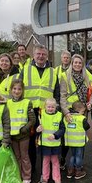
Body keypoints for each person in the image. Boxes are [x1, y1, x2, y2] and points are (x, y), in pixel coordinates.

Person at [21, 44, 60, 174]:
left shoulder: (53, 72)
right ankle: (31, 168)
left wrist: (56, 109)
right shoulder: (25, 70)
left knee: (47, 139)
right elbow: (19, 90)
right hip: (30, 111)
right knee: (31, 141)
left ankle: (47, 169)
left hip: (46, 112)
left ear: (47, 56)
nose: (41, 56)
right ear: (34, 55)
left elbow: (57, 92)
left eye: (43, 54)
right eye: (38, 54)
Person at [59, 54, 91, 170]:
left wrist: (89, 103)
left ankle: (78, 164)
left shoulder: (86, 76)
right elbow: (62, 96)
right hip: (70, 112)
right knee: (67, 137)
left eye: (80, 63)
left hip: (82, 112)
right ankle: (63, 160)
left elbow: (89, 93)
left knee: (80, 136)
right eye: (75, 62)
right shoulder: (64, 76)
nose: (77, 64)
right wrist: (66, 112)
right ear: (72, 64)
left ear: (82, 65)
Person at [7, 79, 36, 183]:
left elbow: (32, 119)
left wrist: (25, 129)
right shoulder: (8, 103)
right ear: (11, 90)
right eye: (14, 89)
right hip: (13, 136)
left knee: (24, 156)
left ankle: (27, 177)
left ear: (22, 90)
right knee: (16, 156)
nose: (16, 91)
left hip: (23, 135)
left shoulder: (27, 102)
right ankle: (18, 175)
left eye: (19, 89)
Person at [36, 98, 65, 183]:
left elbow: (62, 129)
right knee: (45, 161)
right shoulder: (41, 115)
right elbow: (37, 128)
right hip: (45, 144)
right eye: (48, 107)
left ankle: (56, 177)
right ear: (45, 106)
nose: (50, 108)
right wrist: (38, 129)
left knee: (55, 161)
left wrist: (55, 135)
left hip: (55, 144)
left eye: (52, 107)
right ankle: (45, 177)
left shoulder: (59, 115)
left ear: (56, 107)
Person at [65, 101, 91, 179]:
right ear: (78, 109)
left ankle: (70, 171)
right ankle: (78, 171)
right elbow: (87, 127)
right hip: (79, 142)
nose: (83, 113)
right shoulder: (82, 118)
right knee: (78, 156)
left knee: (73, 155)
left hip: (70, 141)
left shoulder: (67, 117)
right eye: (83, 111)